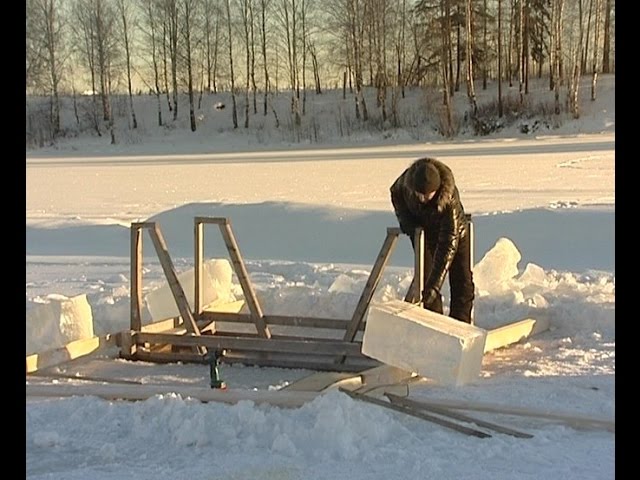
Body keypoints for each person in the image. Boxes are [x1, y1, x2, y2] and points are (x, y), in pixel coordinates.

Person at [389, 157, 475, 323]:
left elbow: (448, 243)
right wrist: (406, 221)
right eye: (420, 195)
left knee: (462, 281)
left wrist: (436, 284)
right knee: (426, 283)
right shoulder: (406, 182)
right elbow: (395, 192)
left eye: (429, 195)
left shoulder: (449, 198)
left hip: (455, 235)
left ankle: (461, 327)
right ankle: (435, 326)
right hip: (424, 233)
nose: (424, 199)